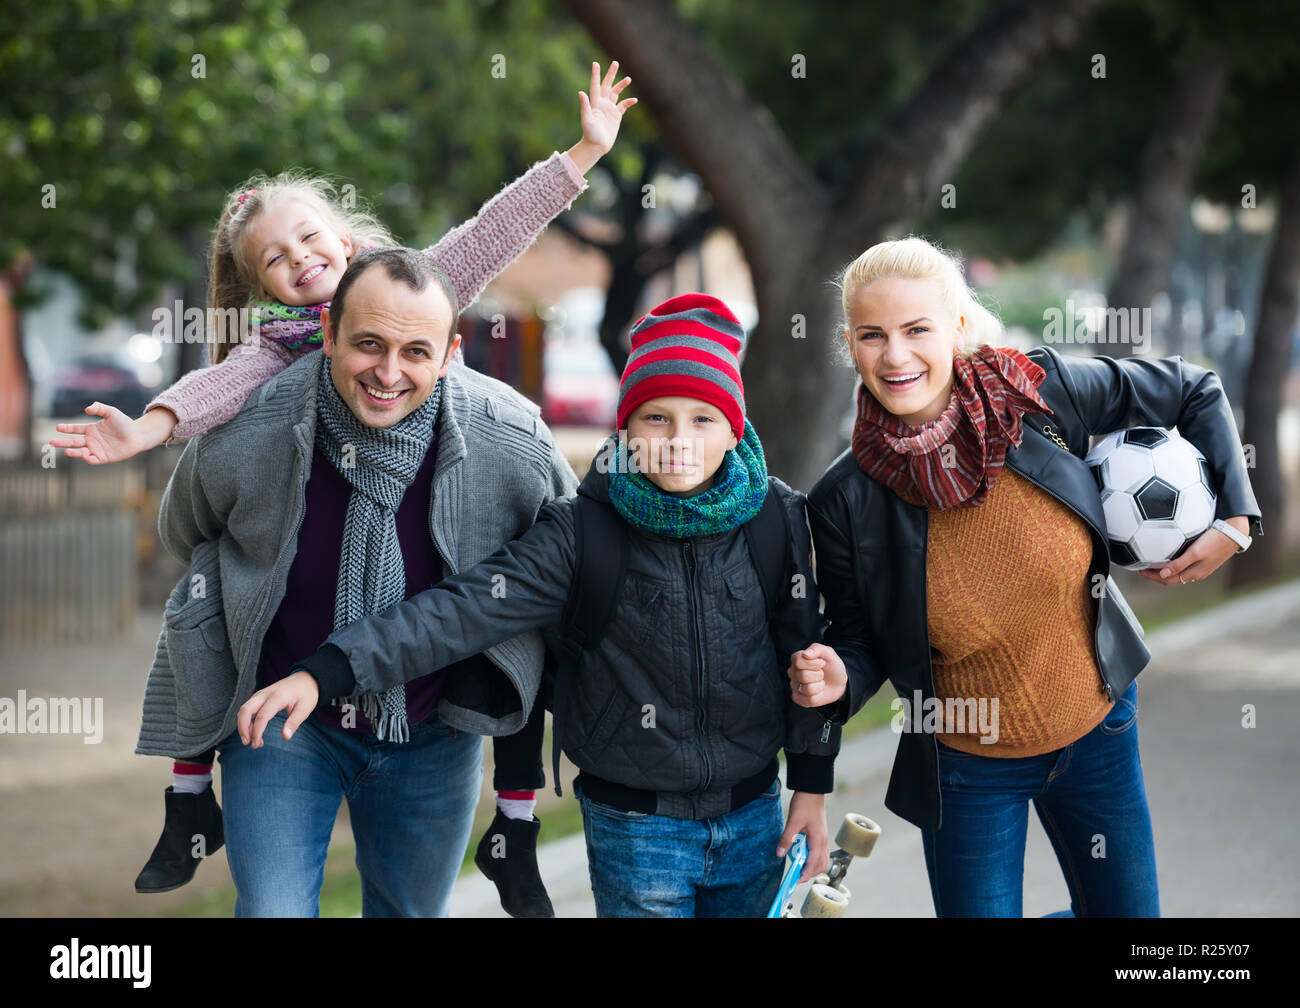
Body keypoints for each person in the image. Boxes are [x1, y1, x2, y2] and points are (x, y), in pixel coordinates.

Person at [55, 62, 635, 910]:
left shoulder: (443, 328)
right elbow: (198, 475)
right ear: (314, 325)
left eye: (309, 241)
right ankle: (190, 801)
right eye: (277, 262)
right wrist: (146, 429)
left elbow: (495, 229)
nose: (300, 263)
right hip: (283, 725)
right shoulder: (262, 385)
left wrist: (583, 152)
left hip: (430, 728)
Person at [239, 293, 844, 917]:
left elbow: (805, 659)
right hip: (635, 832)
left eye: (703, 419)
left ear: (734, 426)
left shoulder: (775, 517)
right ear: (626, 426)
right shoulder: (582, 532)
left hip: (756, 818)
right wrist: (326, 670)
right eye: (656, 418)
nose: (678, 442)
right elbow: (456, 611)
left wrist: (812, 789)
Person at [787, 236, 1262, 917]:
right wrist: (842, 679)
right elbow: (861, 639)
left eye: (916, 329)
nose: (895, 356)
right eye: (872, 335)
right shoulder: (844, 499)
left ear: (955, 325)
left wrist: (1235, 522)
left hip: (1097, 729)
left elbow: (1196, 389)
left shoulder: (1036, 394)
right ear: (850, 343)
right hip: (966, 767)